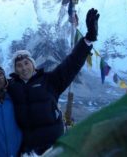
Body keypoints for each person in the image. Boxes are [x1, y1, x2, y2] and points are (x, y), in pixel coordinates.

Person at [7, 8, 100, 155]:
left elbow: (72, 64)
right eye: (19, 65)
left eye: (26, 63)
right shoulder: (11, 87)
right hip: (29, 150)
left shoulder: (49, 81)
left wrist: (88, 39)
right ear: (15, 70)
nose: (24, 68)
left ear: (33, 64)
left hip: (55, 146)